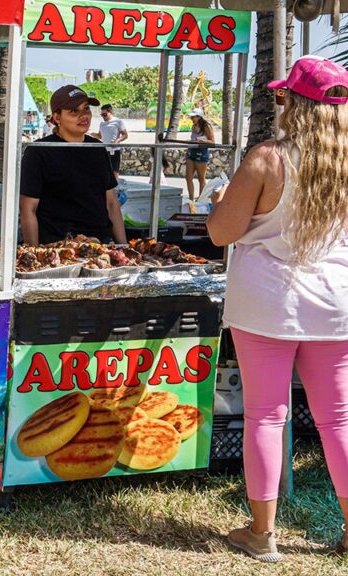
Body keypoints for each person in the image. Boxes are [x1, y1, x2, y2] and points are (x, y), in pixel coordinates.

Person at [207, 57, 348, 563]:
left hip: (267, 302)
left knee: (266, 416)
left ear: (296, 103)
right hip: (335, 303)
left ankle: (262, 534)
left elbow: (222, 232)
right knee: (339, 421)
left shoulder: (268, 159)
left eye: (284, 96)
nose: (279, 102)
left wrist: (221, 201)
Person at [20, 86, 126, 246]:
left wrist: (123, 247)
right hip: (57, 248)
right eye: (74, 111)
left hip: (101, 245)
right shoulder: (39, 151)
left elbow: (111, 203)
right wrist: (35, 254)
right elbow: (28, 209)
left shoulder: (97, 148)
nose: (84, 116)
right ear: (57, 117)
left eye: (86, 109)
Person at [185, 107, 215, 201]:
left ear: (199, 117)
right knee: (188, 177)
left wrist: (202, 140)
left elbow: (212, 141)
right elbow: (192, 140)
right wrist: (187, 152)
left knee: (201, 178)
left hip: (201, 153)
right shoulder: (193, 126)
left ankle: (201, 199)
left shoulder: (206, 126)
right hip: (192, 152)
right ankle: (191, 199)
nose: (191, 119)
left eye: (193, 117)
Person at [95, 104, 128, 180]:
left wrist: (117, 140)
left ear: (110, 112)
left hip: (114, 150)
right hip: (104, 150)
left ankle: (115, 188)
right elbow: (99, 136)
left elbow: (125, 135)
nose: (103, 116)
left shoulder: (118, 121)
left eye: (104, 114)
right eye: (102, 115)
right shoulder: (102, 124)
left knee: (114, 172)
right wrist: (89, 134)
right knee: (104, 171)